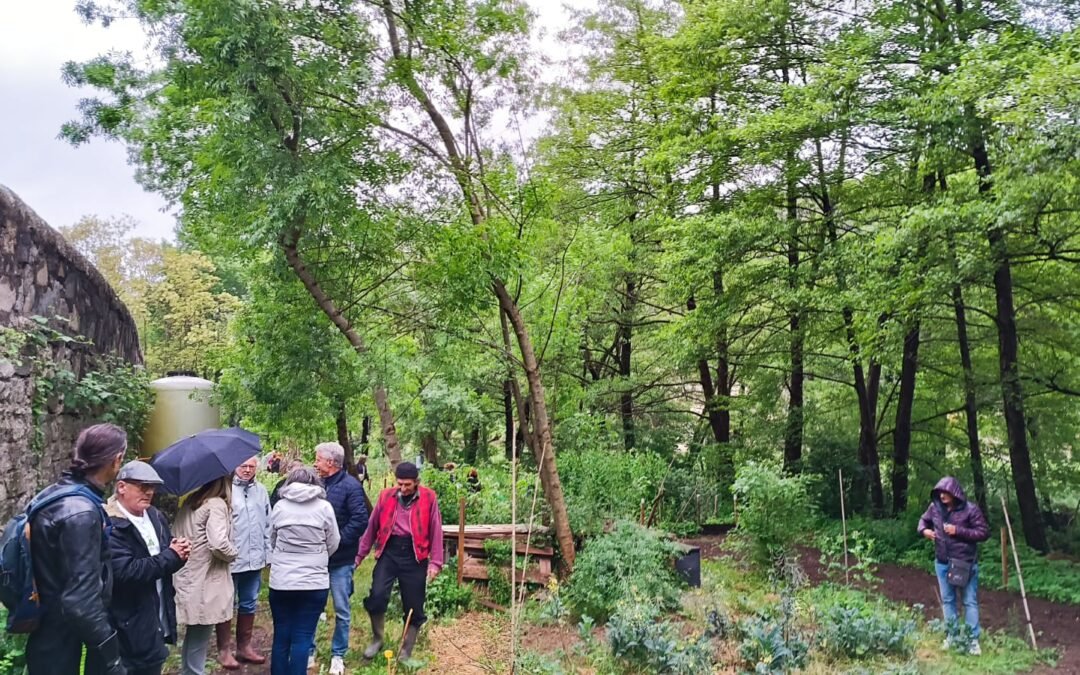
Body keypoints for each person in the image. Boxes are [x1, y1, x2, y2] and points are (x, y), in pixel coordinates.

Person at [27, 423, 129, 675]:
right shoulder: (82, 512)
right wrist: (112, 659)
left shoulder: (52, 494)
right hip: (61, 638)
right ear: (117, 460)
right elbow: (79, 601)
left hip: (46, 632)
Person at [105, 461, 190, 675]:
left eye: (152, 487)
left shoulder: (154, 515)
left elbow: (165, 555)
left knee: (153, 665)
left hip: (156, 614)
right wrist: (171, 556)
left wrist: (180, 552)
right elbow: (125, 572)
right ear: (122, 487)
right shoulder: (110, 523)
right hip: (126, 623)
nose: (150, 492)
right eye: (142, 486)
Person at [356, 462, 444, 662]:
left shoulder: (429, 497)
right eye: (400, 484)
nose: (403, 489)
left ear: (416, 483)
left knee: (413, 604)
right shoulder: (386, 496)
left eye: (408, 485)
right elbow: (372, 527)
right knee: (377, 596)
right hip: (389, 551)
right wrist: (359, 556)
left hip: (415, 555)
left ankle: (405, 651)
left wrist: (435, 562)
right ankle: (377, 639)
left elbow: (436, 529)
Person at [269, 466, 340, 675]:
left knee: (281, 636)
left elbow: (272, 539)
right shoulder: (324, 507)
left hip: (282, 581)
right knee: (302, 637)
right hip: (314, 582)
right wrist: (318, 556)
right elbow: (334, 541)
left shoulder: (280, 506)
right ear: (315, 483)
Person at [312, 442, 369, 675]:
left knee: (342, 609)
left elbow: (359, 520)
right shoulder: (314, 484)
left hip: (341, 560)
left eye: (318, 459)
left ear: (331, 462)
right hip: (314, 560)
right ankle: (308, 650)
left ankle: (338, 655)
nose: (315, 463)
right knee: (312, 606)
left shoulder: (351, 486)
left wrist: (335, 542)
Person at [173, 476, 239, 675]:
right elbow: (218, 543)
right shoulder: (216, 505)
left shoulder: (191, 502)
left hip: (188, 576)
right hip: (207, 581)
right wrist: (234, 553)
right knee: (198, 642)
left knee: (193, 639)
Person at [918, 476, 990, 655]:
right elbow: (922, 521)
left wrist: (958, 531)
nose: (942, 495)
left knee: (969, 601)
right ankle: (952, 636)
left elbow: (983, 533)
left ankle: (972, 641)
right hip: (942, 562)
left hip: (964, 563)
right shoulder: (934, 508)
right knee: (948, 600)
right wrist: (924, 531)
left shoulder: (970, 509)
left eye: (946, 492)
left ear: (955, 492)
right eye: (940, 492)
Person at [227, 456, 271, 666]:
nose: (247, 470)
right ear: (235, 466)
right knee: (226, 604)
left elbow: (268, 522)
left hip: (255, 558)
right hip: (230, 558)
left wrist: (267, 554)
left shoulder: (260, 490)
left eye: (251, 466)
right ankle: (224, 649)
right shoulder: (224, 489)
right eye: (243, 465)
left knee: (249, 602)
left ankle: (244, 647)